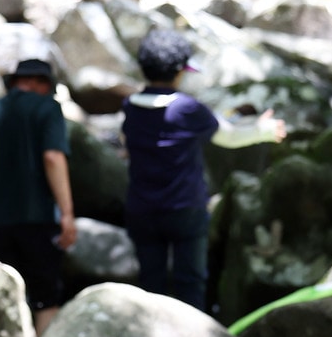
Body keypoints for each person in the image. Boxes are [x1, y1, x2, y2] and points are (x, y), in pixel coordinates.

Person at [121, 29, 286, 312]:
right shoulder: (187, 109)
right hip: (185, 209)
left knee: (150, 286)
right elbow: (229, 137)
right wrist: (264, 131)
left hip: (142, 210)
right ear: (179, 72)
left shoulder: (130, 107)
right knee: (191, 284)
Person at [0, 59, 77, 337]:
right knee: (45, 299)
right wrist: (67, 214)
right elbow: (53, 157)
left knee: (1, 300)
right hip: (39, 222)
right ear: (39, 83)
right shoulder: (48, 108)